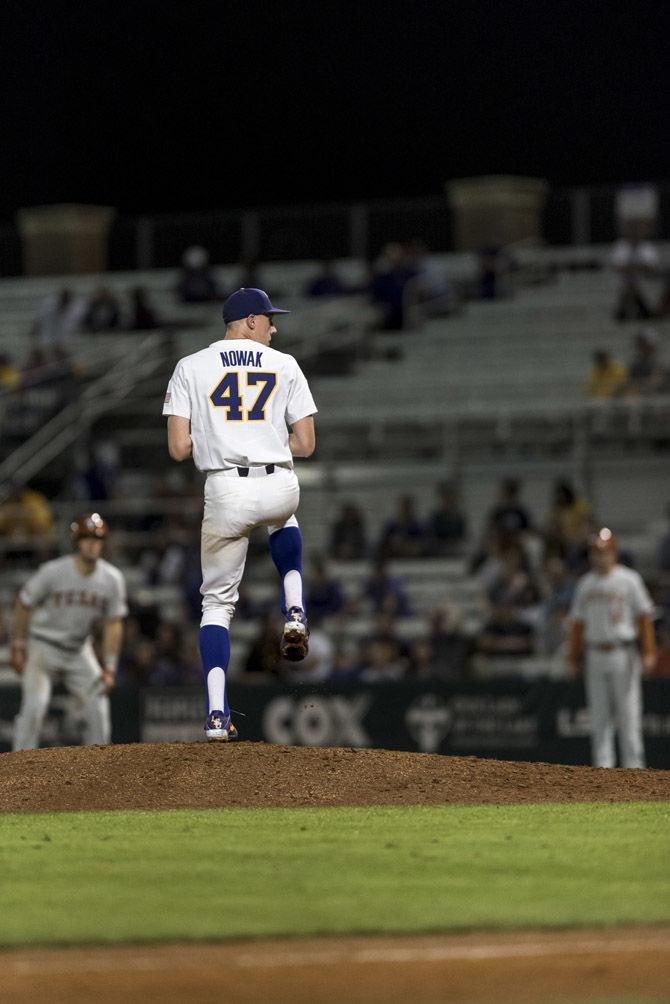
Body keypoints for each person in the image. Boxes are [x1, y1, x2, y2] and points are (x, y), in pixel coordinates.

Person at [163, 286, 317, 741]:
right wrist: (265, 443)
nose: (274, 326)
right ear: (248, 321)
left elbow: (177, 449)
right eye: (268, 318)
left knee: (216, 605)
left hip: (226, 489)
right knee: (284, 518)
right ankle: (294, 610)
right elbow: (306, 445)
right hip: (279, 484)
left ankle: (215, 717)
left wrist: (219, 440)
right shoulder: (285, 364)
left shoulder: (190, 366)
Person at [10, 513, 128, 751]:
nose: (92, 543)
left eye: (97, 538)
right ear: (76, 542)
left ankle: (100, 764)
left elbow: (113, 623)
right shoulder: (54, 571)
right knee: (35, 706)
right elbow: (24, 604)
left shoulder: (112, 579)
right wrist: (19, 645)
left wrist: (110, 667)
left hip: (78, 650)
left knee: (97, 706)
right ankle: (17, 770)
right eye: (86, 538)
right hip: (43, 646)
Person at [567, 528, 656, 768]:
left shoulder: (629, 580)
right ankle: (603, 776)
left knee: (628, 717)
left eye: (604, 552)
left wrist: (649, 652)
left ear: (614, 553)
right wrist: (572, 658)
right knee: (599, 718)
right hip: (594, 653)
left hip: (623, 652)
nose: (599, 557)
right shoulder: (586, 583)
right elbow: (577, 624)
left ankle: (634, 772)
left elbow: (644, 617)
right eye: (595, 552)